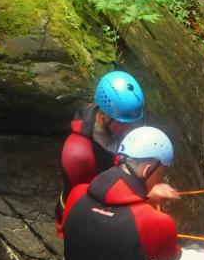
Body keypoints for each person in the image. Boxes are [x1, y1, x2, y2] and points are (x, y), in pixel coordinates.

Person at [60, 126, 182, 260]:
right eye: (160, 174)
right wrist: (146, 205)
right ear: (147, 171)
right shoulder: (157, 222)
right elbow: (172, 257)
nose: (159, 181)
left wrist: (143, 199)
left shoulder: (76, 195)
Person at [57, 71, 145, 225]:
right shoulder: (78, 155)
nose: (130, 128)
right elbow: (89, 203)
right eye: (124, 123)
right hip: (81, 218)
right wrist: (144, 195)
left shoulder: (109, 119)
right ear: (103, 115)